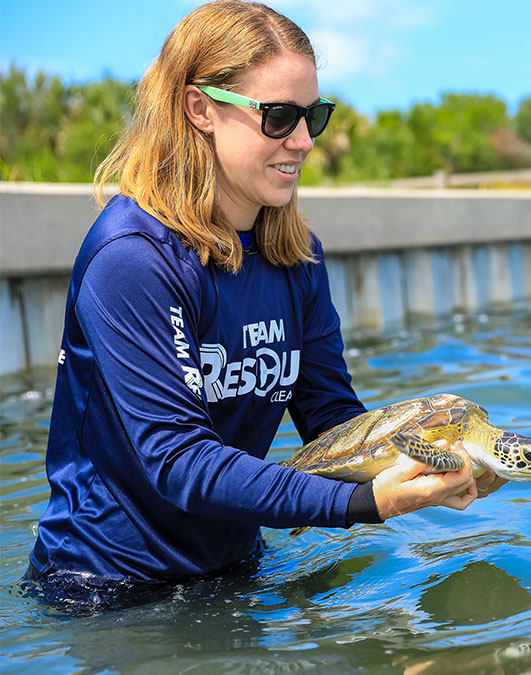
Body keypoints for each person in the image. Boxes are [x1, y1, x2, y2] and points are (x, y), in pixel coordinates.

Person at [25, 0, 506, 605]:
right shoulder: (131, 258)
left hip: (237, 570)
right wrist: (368, 503)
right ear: (200, 108)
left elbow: (332, 418)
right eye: (279, 117)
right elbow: (179, 461)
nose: (303, 141)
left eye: (314, 115)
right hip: (108, 592)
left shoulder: (297, 255)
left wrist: (436, 460)